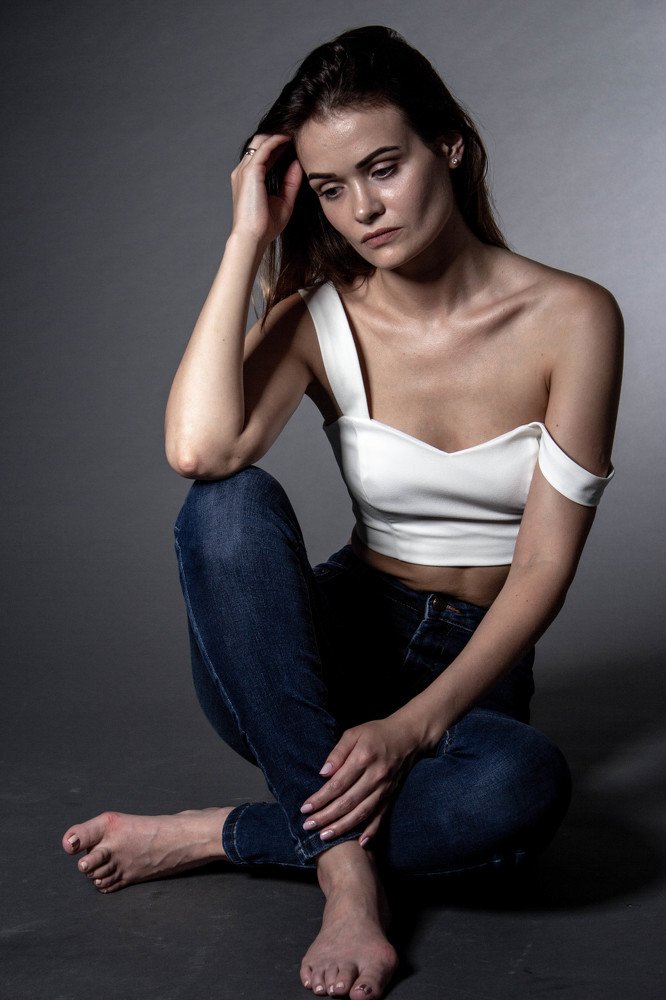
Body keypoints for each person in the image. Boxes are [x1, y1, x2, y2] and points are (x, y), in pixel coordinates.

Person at [62, 25, 622, 1000]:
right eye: (330, 188)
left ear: (448, 144)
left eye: (383, 168)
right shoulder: (321, 313)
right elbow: (200, 451)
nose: (362, 209)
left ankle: (220, 831)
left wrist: (411, 728)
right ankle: (345, 872)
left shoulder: (574, 318)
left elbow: (541, 566)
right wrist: (247, 238)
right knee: (225, 502)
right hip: (313, 658)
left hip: (474, 669)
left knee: (519, 789)